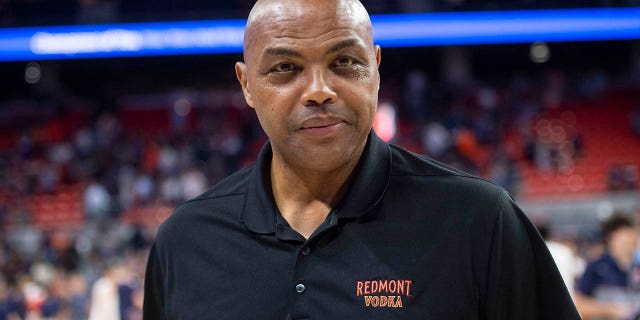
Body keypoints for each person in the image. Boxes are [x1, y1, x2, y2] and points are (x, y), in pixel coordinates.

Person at [143, 0, 579, 318]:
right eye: (285, 69)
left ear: (375, 67)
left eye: (344, 61)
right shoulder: (185, 240)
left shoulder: (480, 221)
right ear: (246, 85)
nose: (319, 90)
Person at [574, 213, 640, 319]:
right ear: (612, 237)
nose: (633, 239)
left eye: (634, 234)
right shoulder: (596, 267)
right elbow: (578, 304)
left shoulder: (637, 265)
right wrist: (609, 310)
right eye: (627, 234)